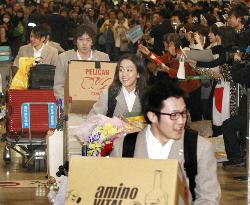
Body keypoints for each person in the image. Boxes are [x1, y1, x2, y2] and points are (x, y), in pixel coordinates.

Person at [110, 81, 221, 205]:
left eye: (184, 113)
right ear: (152, 116)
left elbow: (208, 198)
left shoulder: (199, 148)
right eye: (174, 115)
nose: (181, 121)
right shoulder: (123, 147)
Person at [53, 24, 110, 100]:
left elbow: (107, 87)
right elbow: (58, 86)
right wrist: (65, 104)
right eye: (81, 39)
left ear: (92, 42)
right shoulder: (64, 58)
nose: (84, 43)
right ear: (75, 41)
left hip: (97, 105)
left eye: (88, 40)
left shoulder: (103, 58)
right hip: (70, 103)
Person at [88, 53, 148, 118]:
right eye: (121, 70)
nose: (124, 74)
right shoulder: (108, 94)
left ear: (138, 74)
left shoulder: (146, 96)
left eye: (129, 70)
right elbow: (92, 120)